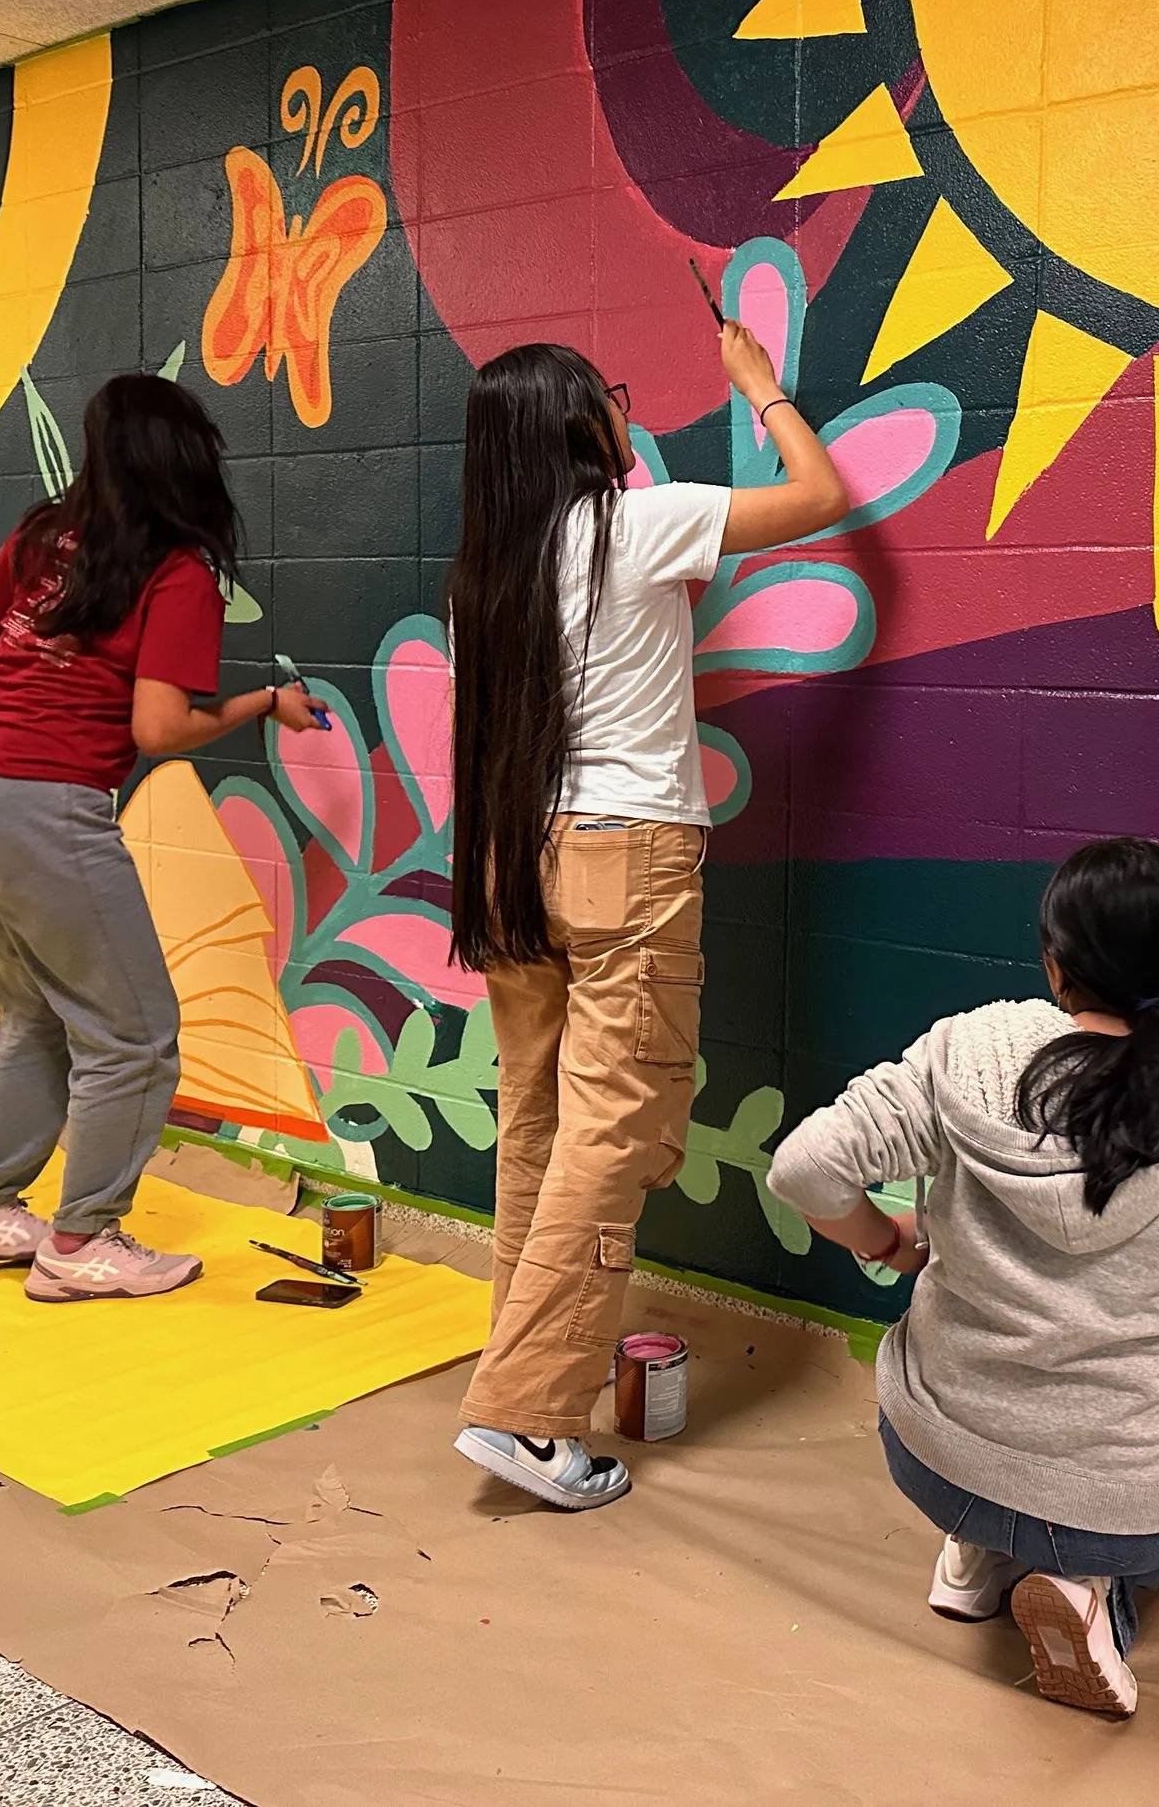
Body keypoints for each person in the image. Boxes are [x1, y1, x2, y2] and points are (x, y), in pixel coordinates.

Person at [769, 836, 1159, 1718]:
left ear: (1053, 963)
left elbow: (804, 1168)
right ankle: (1089, 1594)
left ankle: (974, 1553)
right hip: (1121, 1501)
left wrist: (888, 1242)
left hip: (936, 1454)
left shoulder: (971, 1048)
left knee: (1008, 1463)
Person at [444, 328, 848, 1510]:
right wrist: (760, 389)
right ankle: (526, 1415)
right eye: (610, 399)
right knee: (611, 1129)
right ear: (579, 427)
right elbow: (819, 498)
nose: (626, 414)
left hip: (515, 861)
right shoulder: (635, 523)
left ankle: (516, 1373)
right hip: (628, 855)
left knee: (537, 1123)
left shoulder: (482, 576)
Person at [0, 373, 325, 1300]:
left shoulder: (44, 534)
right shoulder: (177, 571)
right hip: (36, 799)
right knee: (135, 1035)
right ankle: (82, 1239)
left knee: (36, 1016)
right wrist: (264, 702)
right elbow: (159, 729)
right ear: (185, 459)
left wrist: (48, 664)